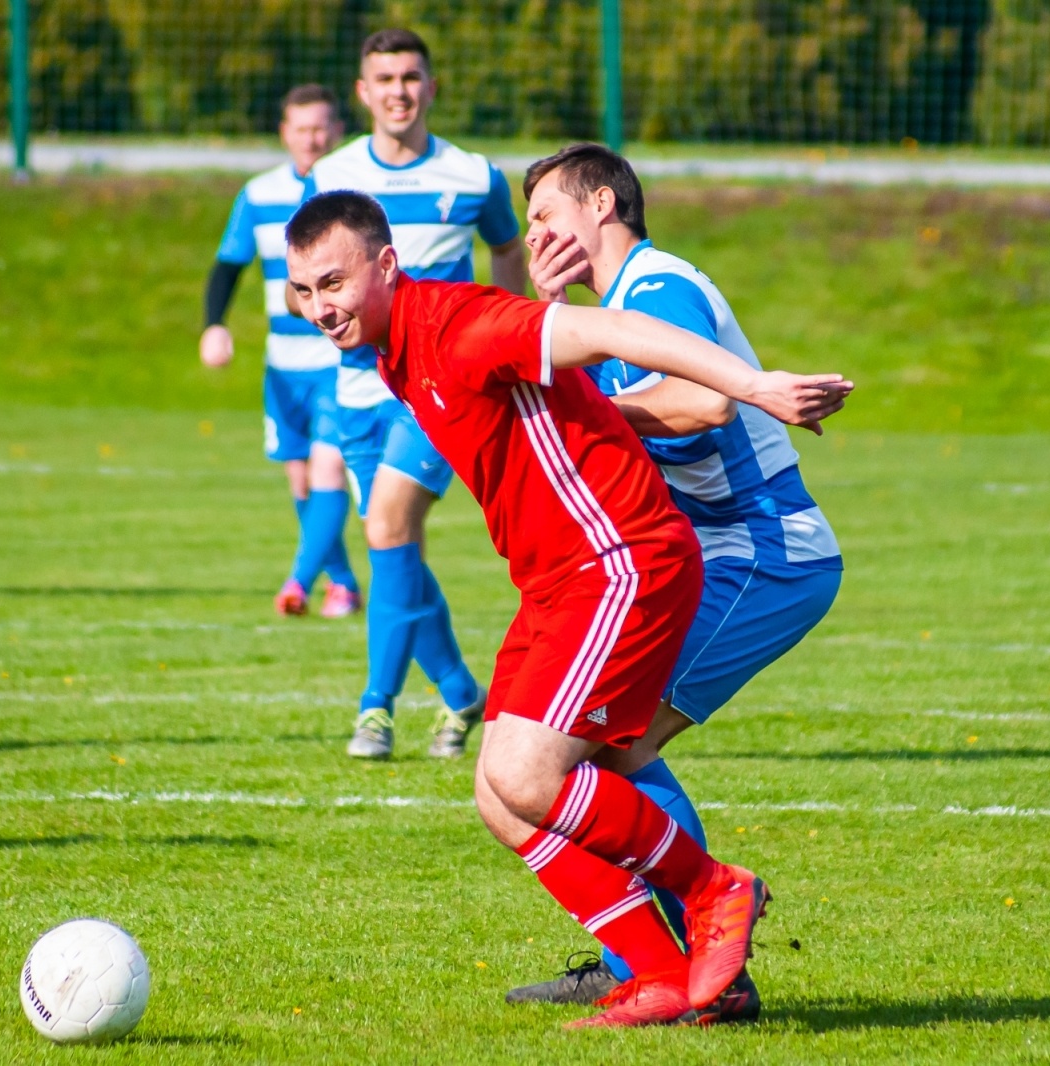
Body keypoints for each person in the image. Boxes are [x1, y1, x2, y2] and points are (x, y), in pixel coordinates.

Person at [283, 189, 851, 1027]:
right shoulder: (397, 351)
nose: (321, 307)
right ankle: (661, 974)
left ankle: (714, 891)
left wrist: (753, 383)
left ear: (387, 266)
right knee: (499, 796)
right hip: (556, 585)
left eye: (333, 282)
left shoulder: (454, 326)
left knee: (530, 772)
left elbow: (609, 333)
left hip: (621, 563)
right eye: (303, 292)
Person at [505, 144, 845, 1010]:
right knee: (598, 747)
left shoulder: (656, 288)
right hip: (712, 555)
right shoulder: (609, 313)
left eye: (547, 214)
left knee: (613, 746)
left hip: (764, 552)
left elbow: (705, 403)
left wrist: (588, 408)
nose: (535, 233)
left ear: (604, 205)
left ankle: (694, 960)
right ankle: (657, 961)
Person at [299, 28, 525, 759]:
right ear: (363, 93)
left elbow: (506, 248)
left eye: (411, 77)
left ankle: (375, 709)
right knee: (391, 545)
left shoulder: (471, 174)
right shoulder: (331, 173)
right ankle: (461, 693)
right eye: (384, 78)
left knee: (389, 522)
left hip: (437, 387)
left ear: (432, 86)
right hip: (357, 394)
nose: (399, 90)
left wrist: (507, 343)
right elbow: (313, 273)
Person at [201, 84, 362, 619]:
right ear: (284, 133)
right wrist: (214, 326)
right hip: (283, 364)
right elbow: (228, 264)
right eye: (301, 128)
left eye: (321, 127)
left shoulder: (354, 190)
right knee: (300, 479)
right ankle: (341, 582)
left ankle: (297, 581)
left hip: (337, 360)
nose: (312, 138)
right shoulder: (259, 193)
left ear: (337, 130)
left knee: (328, 470)